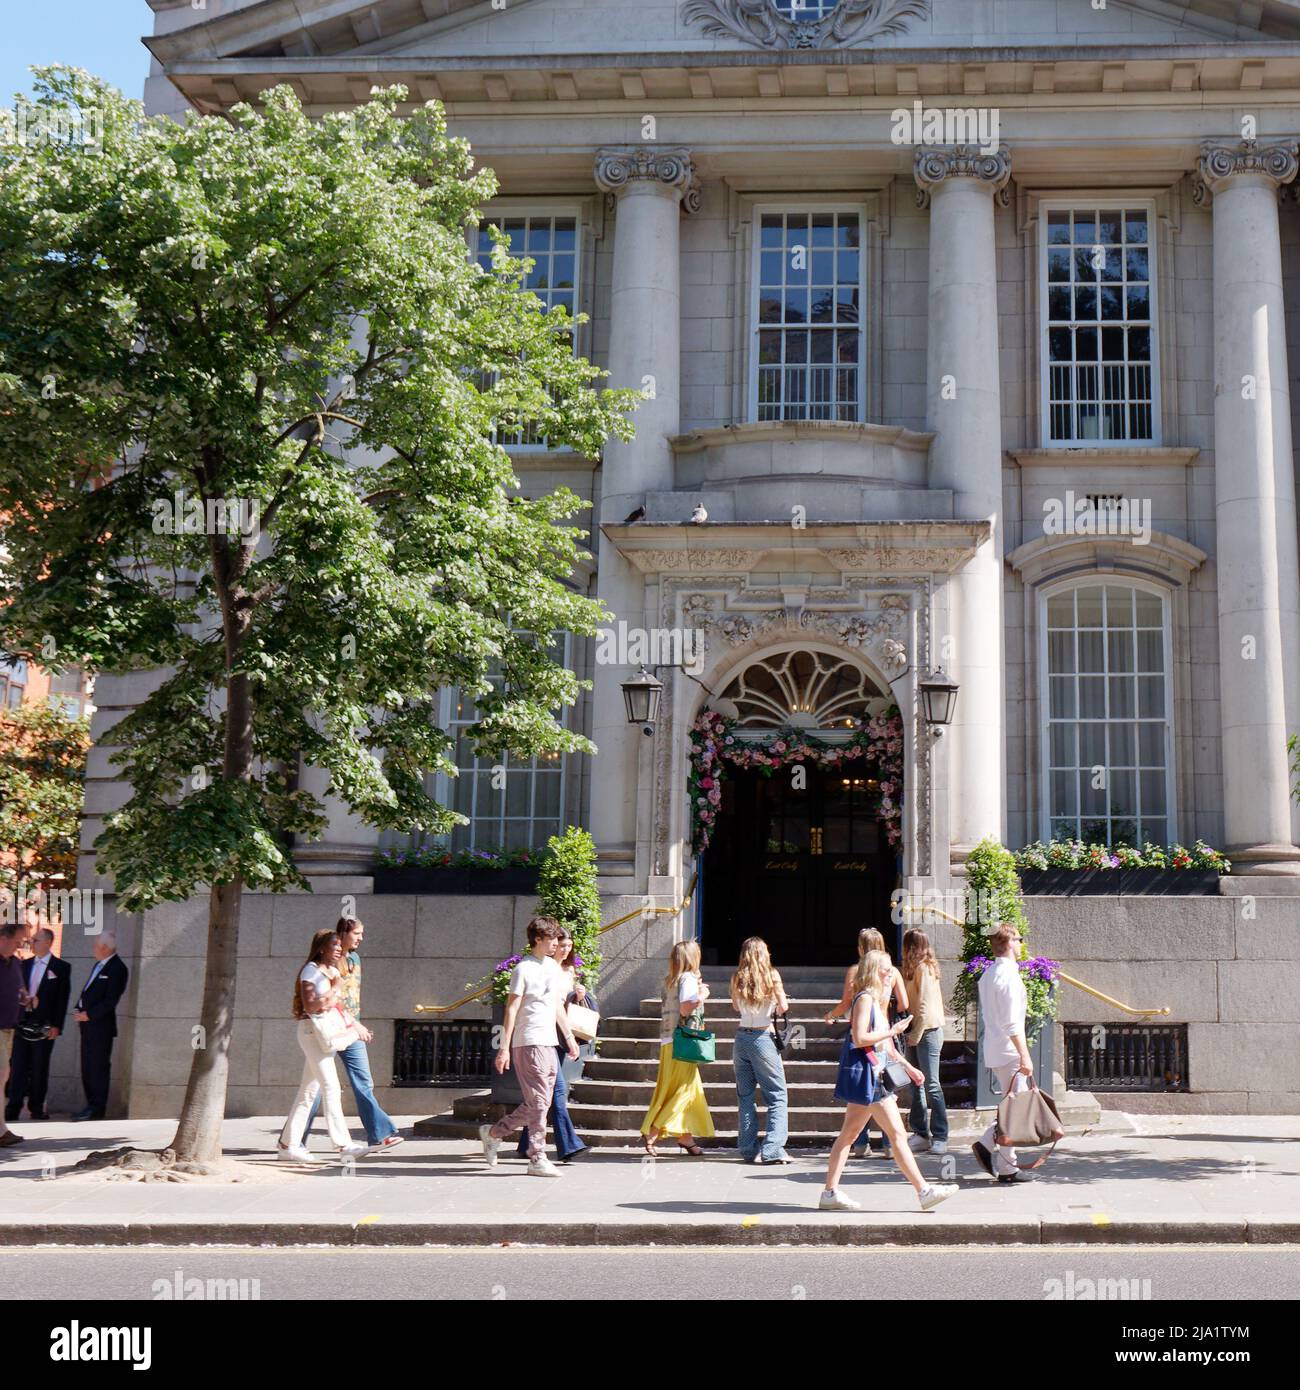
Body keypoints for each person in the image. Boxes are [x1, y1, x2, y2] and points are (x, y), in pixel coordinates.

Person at [820, 949, 958, 1213]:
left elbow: (885, 1044)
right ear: (873, 970)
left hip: (875, 1075)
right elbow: (860, 1038)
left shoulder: (875, 1001)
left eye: (890, 969)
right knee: (896, 1135)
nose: (890, 974)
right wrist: (893, 1030)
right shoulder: (864, 999)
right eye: (885, 969)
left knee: (848, 1136)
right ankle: (924, 1191)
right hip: (871, 1079)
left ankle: (830, 1192)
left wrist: (909, 1067)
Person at [287, 917, 403, 1154]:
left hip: (344, 1028)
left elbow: (345, 998)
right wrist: (336, 996)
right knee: (322, 1088)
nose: (360, 938)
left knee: (348, 1083)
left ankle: (378, 1134)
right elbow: (318, 1003)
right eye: (357, 933)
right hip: (322, 1029)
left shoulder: (352, 960)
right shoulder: (319, 966)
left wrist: (353, 1023)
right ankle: (326, 1144)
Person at [480, 916, 580, 1178]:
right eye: (551, 939)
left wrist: (568, 1037)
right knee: (538, 1102)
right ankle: (537, 1156)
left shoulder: (552, 968)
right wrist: (504, 1048)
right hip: (528, 1041)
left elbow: (557, 1005)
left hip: (549, 1041)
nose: (556, 944)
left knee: (540, 1103)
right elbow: (512, 1008)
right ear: (538, 939)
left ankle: (494, 1133)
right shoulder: (523, 969)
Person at [279, 929, 369, 1163]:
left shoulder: (332, 971)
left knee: (308, 1092)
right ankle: (343, 1144)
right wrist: (334, 989)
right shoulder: (311, 970)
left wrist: (354, 1025)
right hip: (312, 1032)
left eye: (340, 945)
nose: (340, 948)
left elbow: (336, 1007)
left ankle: (287, 1145)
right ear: (321, 948)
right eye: (334, 945)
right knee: (330, 1087)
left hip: (321, 1033)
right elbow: (310, 1006)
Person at [825, 927, 908, 1157]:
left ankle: (861, 1144)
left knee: (862, 1091)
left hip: (868, 1036)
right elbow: (904, 1003)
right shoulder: (893, 973)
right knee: (886, 1087)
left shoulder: (856, 971)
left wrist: (831, 1016)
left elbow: (846, 1003)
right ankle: (890, 1146)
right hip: (885, 1033)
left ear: (861, 947)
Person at [514, 927, 592, 1163]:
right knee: (555, 1091)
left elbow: (560, 1005)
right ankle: (567, 1145)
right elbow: (515, 1006)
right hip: (541, 1038)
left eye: (568, 946)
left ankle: (524, 1143)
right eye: (560, 944)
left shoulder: (563, 970)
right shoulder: (540, 968)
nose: (563, 949)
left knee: (547, 1093)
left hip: (554, 1035)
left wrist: (578, 998)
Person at [972, 921, 1035, 1184]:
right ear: (1009, 942)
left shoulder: (989, 974)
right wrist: (1025, 1054)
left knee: (1012, 1107)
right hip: (1009, 1050)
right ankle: (993, 1149)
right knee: (1015, 1108)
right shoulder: (1007, 975)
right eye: (1018, 939)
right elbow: (1011, 1022)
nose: (1021, 944)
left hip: (997, 1047)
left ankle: (1005, 1162)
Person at [640, 939, 715, 1156]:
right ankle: (654, 1130)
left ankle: (685, 1138)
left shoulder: (670, 980)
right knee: (684, 1090)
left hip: (669, 1040)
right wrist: (702, 995)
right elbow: (685, 1008)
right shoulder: (688, 979)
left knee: (679, 1089)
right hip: (683, 1041)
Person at [729, 936, 791, 1164]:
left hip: (741, 1037)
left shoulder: (737, 977)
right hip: (763, 1037)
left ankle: (747, 1148)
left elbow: (736, 1006)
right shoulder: (772, 976)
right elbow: (783, 1007)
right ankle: (773, 1148)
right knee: (776, 1095)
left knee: (745, 1096)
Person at [5, 927, 70, 1123]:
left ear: (48, 942)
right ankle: (13, 1107)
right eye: (32, 940)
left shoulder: (60, 967)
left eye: (36, 940)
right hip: (22, 1021)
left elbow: (62, 998)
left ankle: (36, 1107)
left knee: (40, 1066)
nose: (32, 943)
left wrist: (56, 1025)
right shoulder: (23, 964)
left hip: (45, 1024)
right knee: (18, 1065)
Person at [900, 927, 949, 1156]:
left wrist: (915, 1034)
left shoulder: (925, 968)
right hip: (916, 1030)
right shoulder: (912, 969)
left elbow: (924, 1007)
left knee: (931, 1084)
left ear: (910, 946)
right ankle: (921, 1134)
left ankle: (940, 1136)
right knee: (915, 1083)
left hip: (927, 1031)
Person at [72, 931, 129, 1121]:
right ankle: (90, 1104)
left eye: (95, 945)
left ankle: (97, 1108)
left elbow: (110, 1000)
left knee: (98, 1067)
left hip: (101, 1027)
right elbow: (89, 992)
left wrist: (88, 1014)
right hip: (87, 1026)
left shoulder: (117, 968)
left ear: (105, 948)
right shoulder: (99, 965)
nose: (93, 949)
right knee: (87, 1066)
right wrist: (79, 1008)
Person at [0, 921, 28, 1149]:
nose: (19, 947)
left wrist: (25, 997)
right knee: (2, 1075)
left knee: (2, 1078)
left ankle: (1, 1130)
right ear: (3, 939)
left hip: (9, 1027)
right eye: (17, 942)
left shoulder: (15, 963)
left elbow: (19, 989)